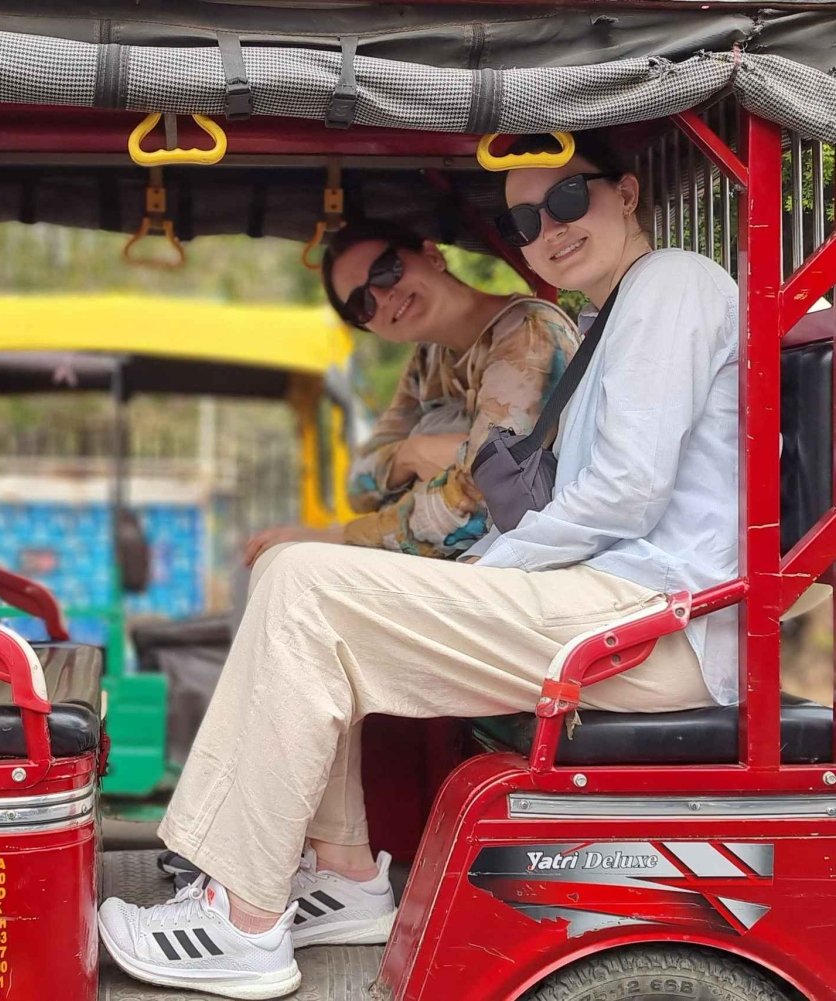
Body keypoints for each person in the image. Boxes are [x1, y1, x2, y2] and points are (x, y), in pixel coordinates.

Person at [98, 130, 737, 999]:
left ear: (625, 193)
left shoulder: (672, 286)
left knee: (299, 579)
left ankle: (244, 921)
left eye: (566, 200)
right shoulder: (610, 314)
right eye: (524, 219)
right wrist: (475, 536)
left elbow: (623, 491)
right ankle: (349, 875)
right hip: (614, 599)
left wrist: (491, 572)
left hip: (653, 620)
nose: (547, 228)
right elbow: (388, 465)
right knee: (298, 583)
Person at [244, 222, 579, 566]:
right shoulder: (430, 357)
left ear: (431, 255)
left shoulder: (527, 336)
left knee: (294, 567)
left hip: (533, 560)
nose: (381, 297)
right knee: (283, 564)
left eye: (386, 271)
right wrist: (413, 452)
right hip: (471, 560)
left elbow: (474, 506)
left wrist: (337, 536)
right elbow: (360, 484)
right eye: (361, 304)